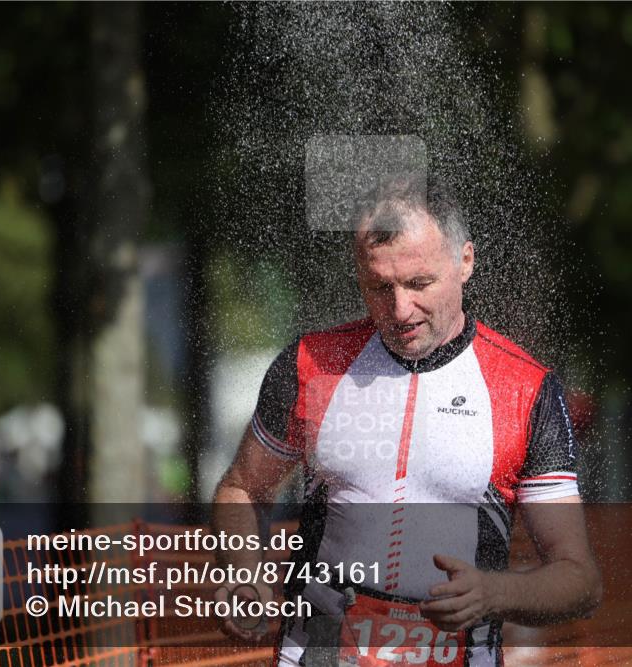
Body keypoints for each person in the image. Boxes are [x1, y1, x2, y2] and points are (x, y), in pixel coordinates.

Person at [211, 174, 602, 666]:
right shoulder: (311, 363)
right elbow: (243, 487)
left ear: (464, 261)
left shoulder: (526, 388)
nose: (399, 309)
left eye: (419, 284)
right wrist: (244, 570)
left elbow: (578, 578)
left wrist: (492, 594)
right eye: (379, 287)